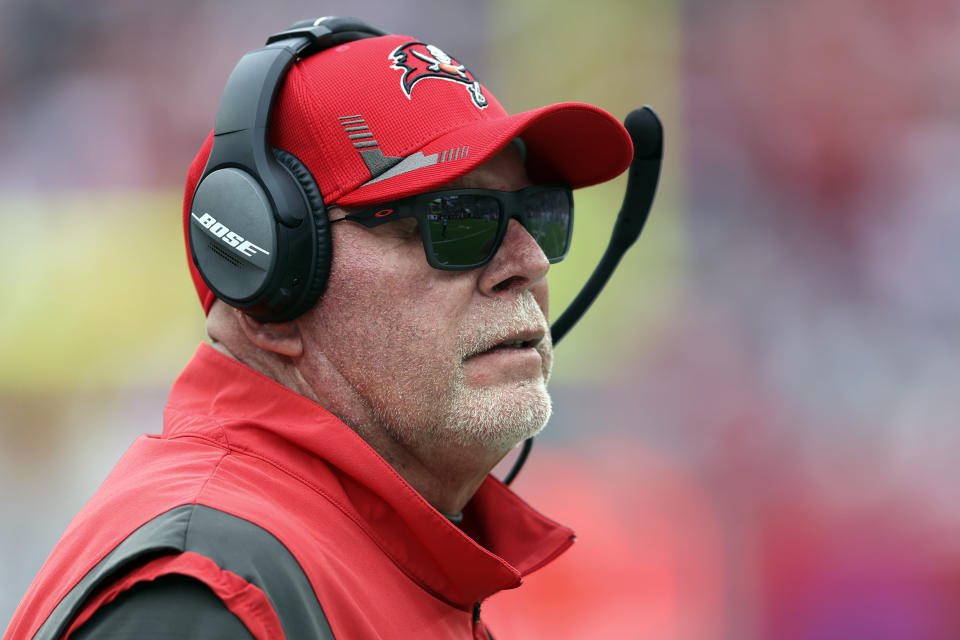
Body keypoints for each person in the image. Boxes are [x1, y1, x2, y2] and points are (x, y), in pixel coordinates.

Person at [5, 17, 634, 640]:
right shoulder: (211, 593)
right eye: (457, 220)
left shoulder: (346, 559)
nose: (528, 262)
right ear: (271, 288)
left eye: (542, 215)